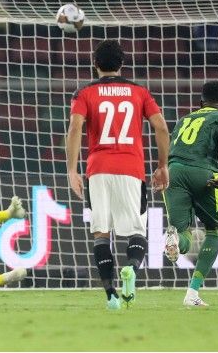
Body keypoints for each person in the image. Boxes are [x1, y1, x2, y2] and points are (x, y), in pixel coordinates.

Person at [66, 40, 170, 310]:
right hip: (131, 168)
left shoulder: (84, 93)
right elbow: (161, 128)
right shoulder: (139, 92)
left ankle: (111, 295)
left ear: (95, 63)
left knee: (101, 233)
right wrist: (162, 166)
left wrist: (71, 170)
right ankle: (132, 270)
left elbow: (75, 128)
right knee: (137, 231)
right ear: (122, 64)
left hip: (97, 169)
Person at [163, 81, 218, 307]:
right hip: (204, 173)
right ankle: (192, 294)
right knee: (214, 230)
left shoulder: (183, 119)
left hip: (174, 172)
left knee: (182, 232)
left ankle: (174, 240)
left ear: (200, 102)